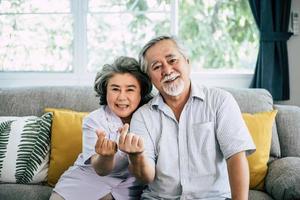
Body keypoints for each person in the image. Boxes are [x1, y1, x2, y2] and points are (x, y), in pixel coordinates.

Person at [125, 36, 256, 200]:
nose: (167, 70)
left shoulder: (220, 101)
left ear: (187, 61)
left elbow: (236, 156)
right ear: (150, 78)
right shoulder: (142, 116)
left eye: (172, 60)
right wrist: (135, 157)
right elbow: (146, 177)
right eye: (157, 66)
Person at [49, 56, 152, 200]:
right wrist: (106, 156)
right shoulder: (94, 120)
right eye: (115, 89)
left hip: (129, 185)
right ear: (105, 90)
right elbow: (100, 170)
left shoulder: (150, 118)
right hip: (88, 178)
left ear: (141, 92)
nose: (122, 97)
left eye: (130, 90)